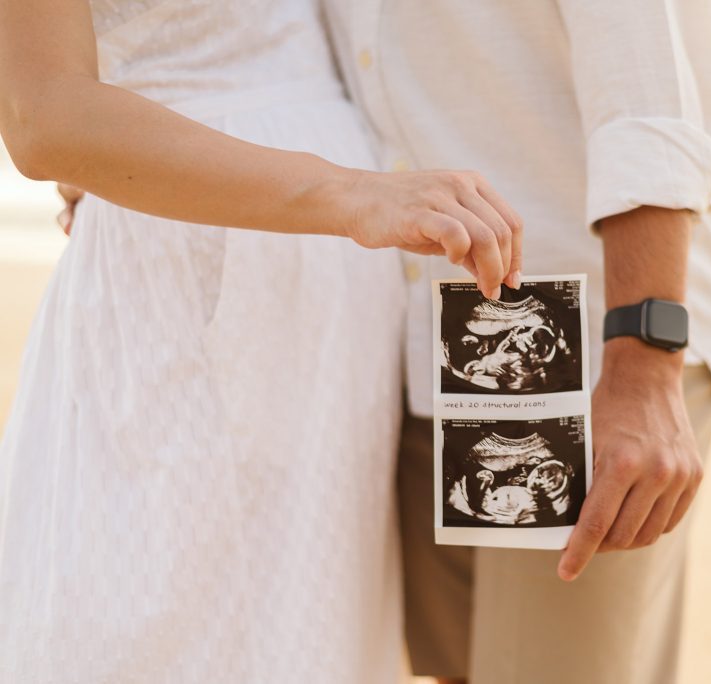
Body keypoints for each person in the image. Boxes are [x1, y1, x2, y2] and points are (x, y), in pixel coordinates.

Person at [0, 1, 521, 681]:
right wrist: (352, 193)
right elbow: (45, 120)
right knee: (145, 620)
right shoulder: (345, 195)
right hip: (192, 267)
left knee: (311, 628)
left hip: (342, 292)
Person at [323, 2, 711, 683]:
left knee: (547, 670)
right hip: (423, 336)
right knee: (463, 668)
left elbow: (647, 97)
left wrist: (644, 361)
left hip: (577, 342)